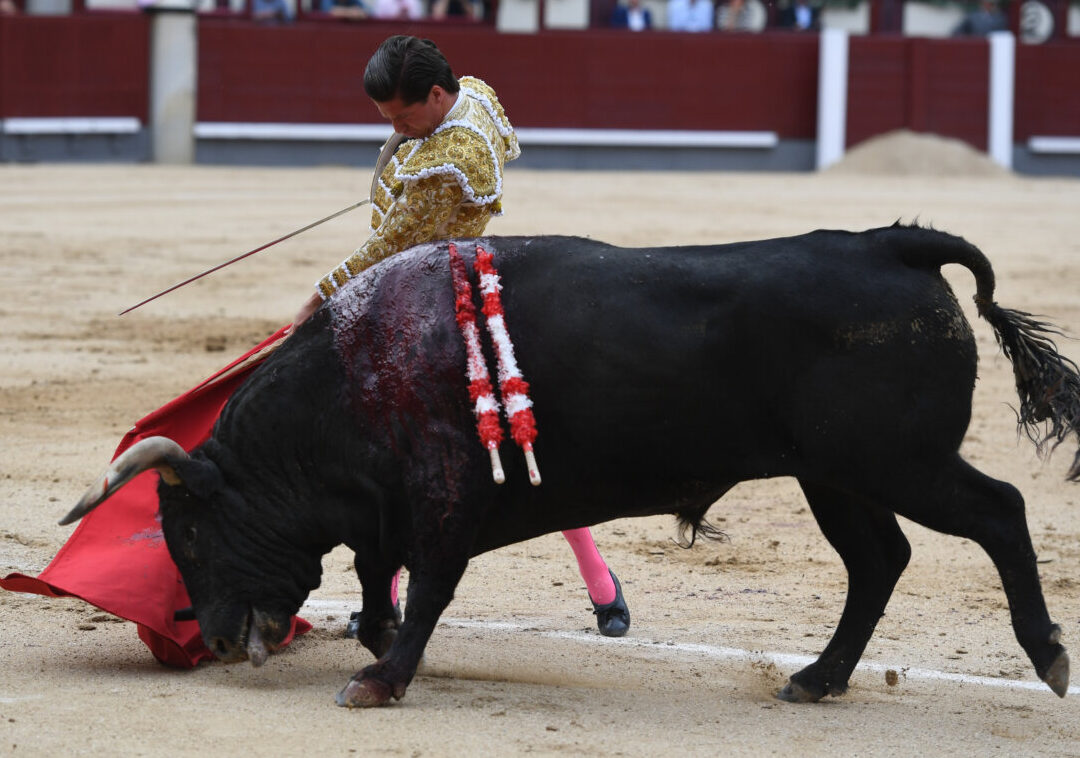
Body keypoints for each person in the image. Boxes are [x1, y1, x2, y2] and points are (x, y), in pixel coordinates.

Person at [294, 35, 631, 638]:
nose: (398, 128)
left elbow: (387, 247)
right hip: (473, 279)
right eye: (387, 119)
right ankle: (600, 588)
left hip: (429, 302)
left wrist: (322, 294)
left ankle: (596, 583)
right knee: (519, 440)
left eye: (403, 115)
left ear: (436, 93)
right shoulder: (470, 93)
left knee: (412, 447)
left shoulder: (451, 160)